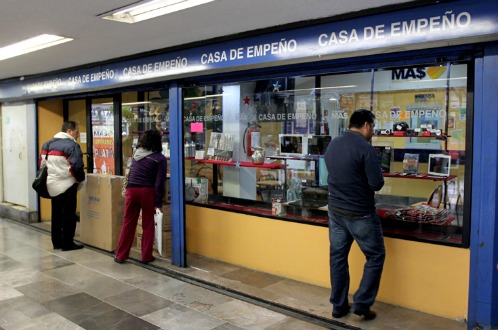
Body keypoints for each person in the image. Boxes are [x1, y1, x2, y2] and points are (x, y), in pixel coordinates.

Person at [324, 109, 385, 320]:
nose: (373, 131)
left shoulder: (333, 144)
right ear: (367, 125)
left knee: (338, 257)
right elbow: (376, 184)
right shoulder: (365, 149)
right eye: (373, 127)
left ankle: (339, 306)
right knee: (376, 255)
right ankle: (362, 303)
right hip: (360, 213)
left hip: (335, 211)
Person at [114, 129, 167, 264]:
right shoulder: (159, 158)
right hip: (147, 191)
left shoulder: (136, 154)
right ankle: (146, 256)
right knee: (148, 224)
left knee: (128, 223)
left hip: (132, 190)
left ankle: (120, 255)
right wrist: (158, 202)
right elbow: (159, 183)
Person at [40, 121, 86, 251]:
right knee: (69, 216)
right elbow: (77, 166)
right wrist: (80, 180)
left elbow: (42, 164)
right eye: (76, 132)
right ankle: (67, 243)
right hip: (67, 185)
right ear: (69, 131)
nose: (77, 135)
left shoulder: (47, 144)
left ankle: (56, 242)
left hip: (52, 185)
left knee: (56, 215)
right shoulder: (72, 146)